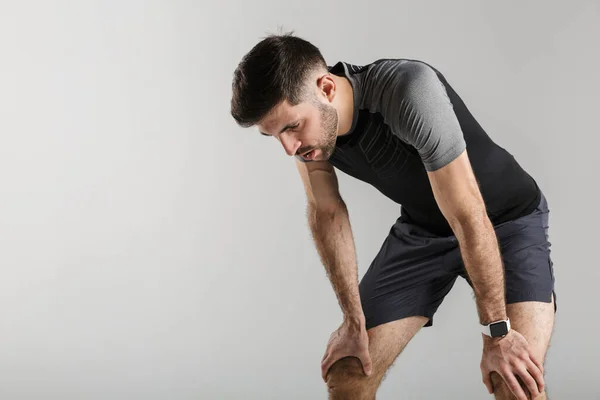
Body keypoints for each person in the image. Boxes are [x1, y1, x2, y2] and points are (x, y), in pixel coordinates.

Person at [230, 32, 556, 400]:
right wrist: (353, 320)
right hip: (425, 230)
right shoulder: (311, 140)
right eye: (274, 135)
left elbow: (468, 214)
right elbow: (326, 210)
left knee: (515, 383)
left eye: (291, 126)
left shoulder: (407, 90)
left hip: (505, 223)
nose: (289, 147)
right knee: (349, 373)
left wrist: (498, 333)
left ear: (325, 88)